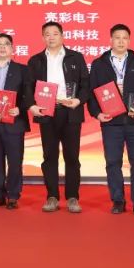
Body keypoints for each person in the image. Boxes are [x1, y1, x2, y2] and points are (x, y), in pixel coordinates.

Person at [87, 24, 134, 215]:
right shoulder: (99, 63)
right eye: (117, 38)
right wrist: (97, 113)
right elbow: (91, 92)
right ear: (111, 40)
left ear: (129, 40)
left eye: (125, 38)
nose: (121, 41)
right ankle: (118, 200)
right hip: (111, 122)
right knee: (113, 162)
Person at [27, 21, 90, 213]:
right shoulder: (36, 60)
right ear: (43, 37)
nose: (51, 37)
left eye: (55, 33)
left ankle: (73, 197)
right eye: (47, 34)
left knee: (72, 156)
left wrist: (78, 100)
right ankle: (52, 196)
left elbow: (86, 84)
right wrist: (32, 106)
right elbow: (28, 87)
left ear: (62, 36)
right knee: (49, 156)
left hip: (70, 111)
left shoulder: (75, 57)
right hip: (47, 112)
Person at [0, 34, 32, 210]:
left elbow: (28, 94)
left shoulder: (23, 70)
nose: (2, 47)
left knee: (15, 161)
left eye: (6, 44)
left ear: (12, 48)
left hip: (14, 122)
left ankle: (13, 195)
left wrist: (21, 108)